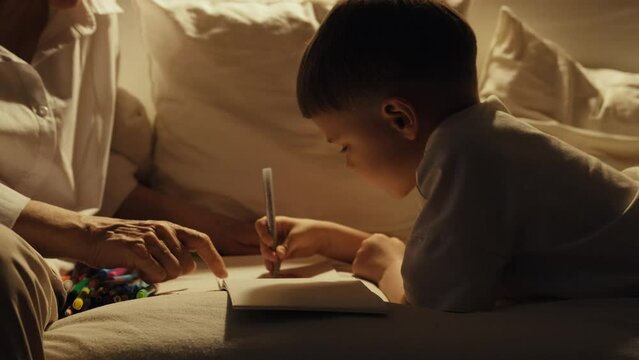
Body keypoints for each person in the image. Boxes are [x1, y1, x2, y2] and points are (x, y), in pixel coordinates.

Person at [255, 0, 639, 313]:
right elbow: (452, 255)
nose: (348, 162)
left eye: (344, 146)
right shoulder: (484, 140)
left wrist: (388, 265)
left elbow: (430, 301)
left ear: (400, 118)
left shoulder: (466, 157)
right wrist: (331, 239)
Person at [0, 0, 257, 358]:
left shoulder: (93, 16)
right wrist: (87, 234)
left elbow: (79, 177)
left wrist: (223, 228)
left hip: (66, 278)